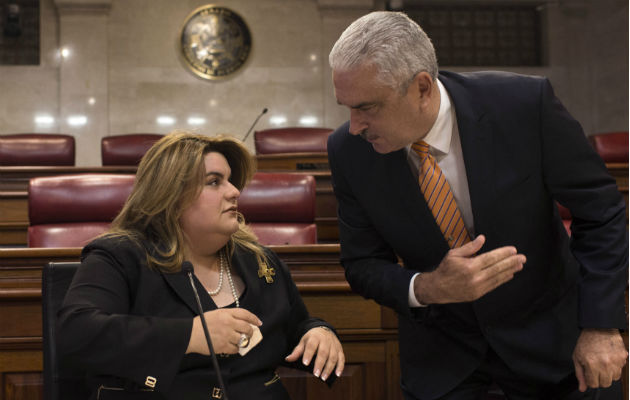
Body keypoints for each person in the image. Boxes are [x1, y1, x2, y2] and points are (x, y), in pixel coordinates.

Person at [327, 11, 627, 400]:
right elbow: (362, 264)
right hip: (444, 366)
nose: (354, 126)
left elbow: (601, 213)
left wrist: (601, 326)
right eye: (345, 108)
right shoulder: (348, 150)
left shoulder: (523, 106)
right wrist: (428, 287)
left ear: (421, 87)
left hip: (556, 352)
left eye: (366, 107)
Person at [58, 131, 345, 400]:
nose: (234, 191)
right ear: (171, 195)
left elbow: (293, 326)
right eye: (214, 181)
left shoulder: (258, 259)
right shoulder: (121, 256)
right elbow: (77, 334)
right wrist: (190, 335)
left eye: (230, 180)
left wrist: (318, 332)